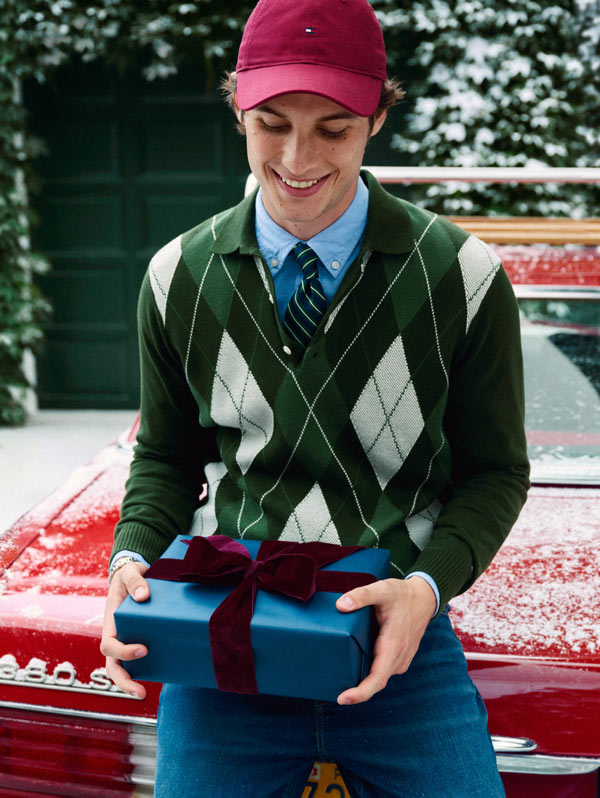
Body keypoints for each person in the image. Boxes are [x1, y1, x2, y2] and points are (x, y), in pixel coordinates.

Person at [101, 0, 530, 795]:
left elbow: (496, 472)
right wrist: (130, 555)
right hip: (227, 634)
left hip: (401, 636)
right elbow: (165, 456)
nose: (298, 158)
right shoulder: (175, 277)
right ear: (238, 109)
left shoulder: (465, 279)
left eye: (333, 128)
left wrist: (425, 587)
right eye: (272, 123)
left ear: (377, 116)